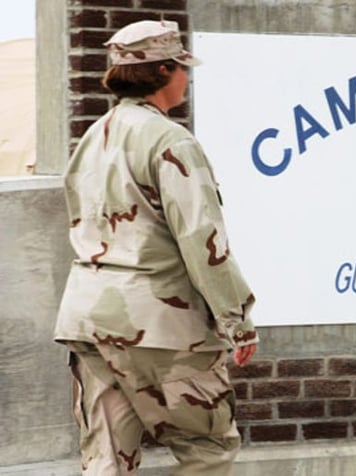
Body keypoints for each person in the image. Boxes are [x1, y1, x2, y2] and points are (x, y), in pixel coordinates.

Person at [53, 20, 258, 475]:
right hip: (159, 322)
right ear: (165, 70)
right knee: (207, 449)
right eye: (183, 67)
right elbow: (203, 242)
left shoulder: (94, 137)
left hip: (88, 318)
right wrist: (237, 320)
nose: (187, 76)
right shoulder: (171, 140)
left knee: (106, 458)